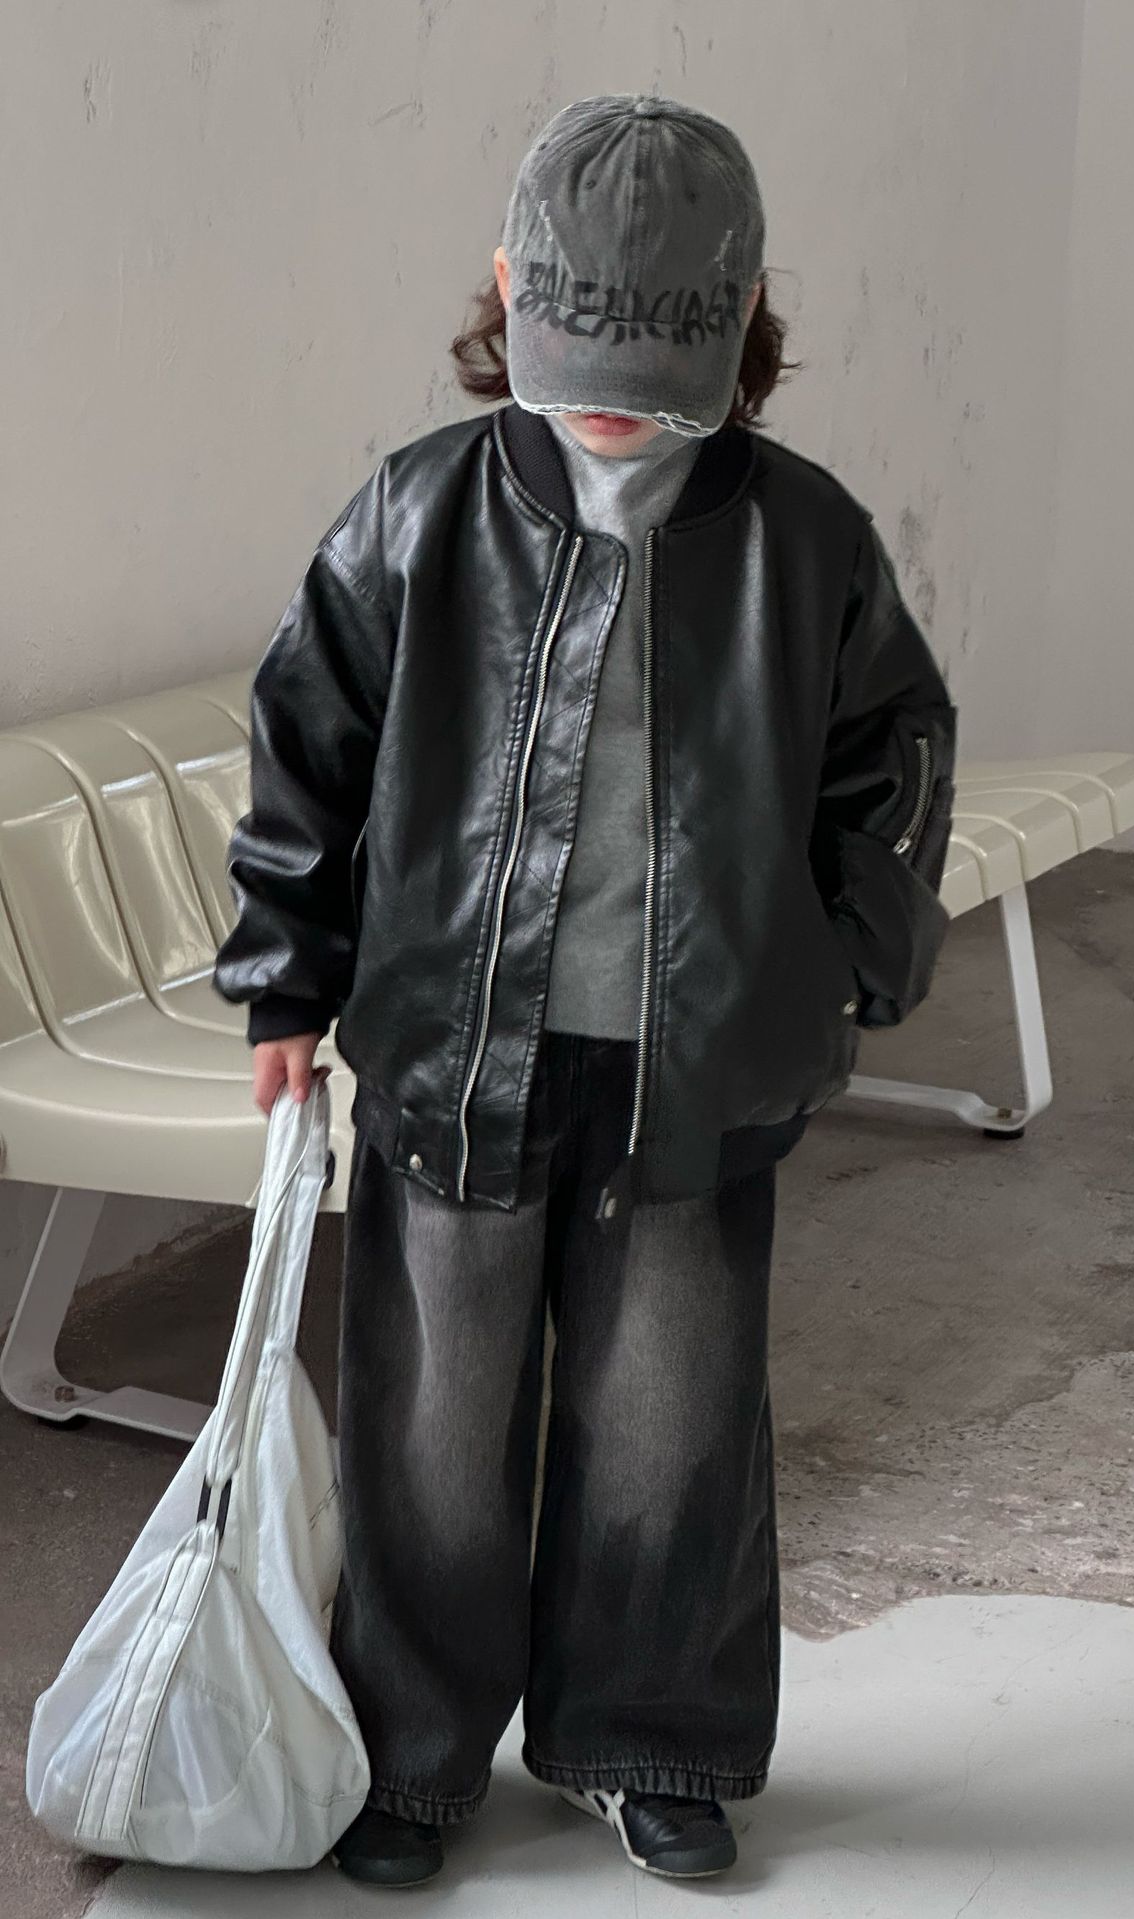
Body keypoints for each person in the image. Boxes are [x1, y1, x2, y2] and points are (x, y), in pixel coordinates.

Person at [212, 92, 957, 1892]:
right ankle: (411, 1755)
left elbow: (895, 759)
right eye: (580, 351)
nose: (611, 399)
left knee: (669, 1430)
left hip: (695, 1073)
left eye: (656, 358)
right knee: (432, 1429)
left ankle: (650, 1738)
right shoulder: (419, 513)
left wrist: (841, 973)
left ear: (741, 316)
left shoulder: (808, 540)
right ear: (506, 292)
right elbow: (308, 751)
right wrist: (284, 983)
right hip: (453, 1054)